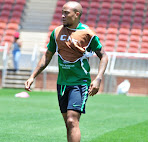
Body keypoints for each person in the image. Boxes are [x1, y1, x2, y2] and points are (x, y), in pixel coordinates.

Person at [25, 1, 108, 142]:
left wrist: (98, 79)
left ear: (76, 14)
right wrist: (33, 76)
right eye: (62, 12)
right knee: (68, 124)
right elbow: (47, 55)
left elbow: (104, 56)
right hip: (62, 84)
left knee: (72, 120)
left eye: (66, 13)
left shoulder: (87, 34)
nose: (62, 16)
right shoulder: (56, 32)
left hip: (80, 83)